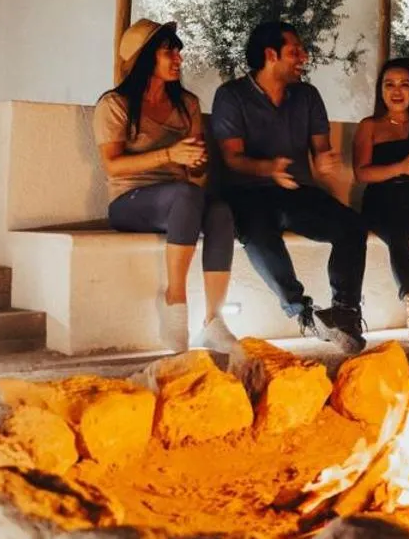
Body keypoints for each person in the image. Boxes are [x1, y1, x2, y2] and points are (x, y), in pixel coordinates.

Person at [211, 20, 368, 353]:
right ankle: (304, 312)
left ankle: (345, 312)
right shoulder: (231, 96)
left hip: (297, 192)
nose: (304, 57)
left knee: (352, 226)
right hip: (248, 193)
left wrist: (325, 161)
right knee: (257, 235)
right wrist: (269, 168)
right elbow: (233, 158)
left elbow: (320, 149)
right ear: (271, 55)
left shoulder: (307, 96)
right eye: (295, 51)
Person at [93, 19, 237, 352]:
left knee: (220, 211)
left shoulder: (186, 104)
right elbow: (113, 165)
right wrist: (169, 154)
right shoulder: (114, 105)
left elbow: (197, 170)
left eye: (178, 51)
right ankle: (175, 300)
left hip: (180, 199)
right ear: (145, 59)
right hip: (129, 201)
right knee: (186, 195)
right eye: (168, 51)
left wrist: (198, 162)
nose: (178, 59)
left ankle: (214, 321)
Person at [355, 58, 409, 343]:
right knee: (398, 234)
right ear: (381, 90)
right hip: (381, 199)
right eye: (389, 84)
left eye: (405, 84)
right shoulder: (369, 126)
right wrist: (399, 168)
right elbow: (362, 173)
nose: (397, 91)